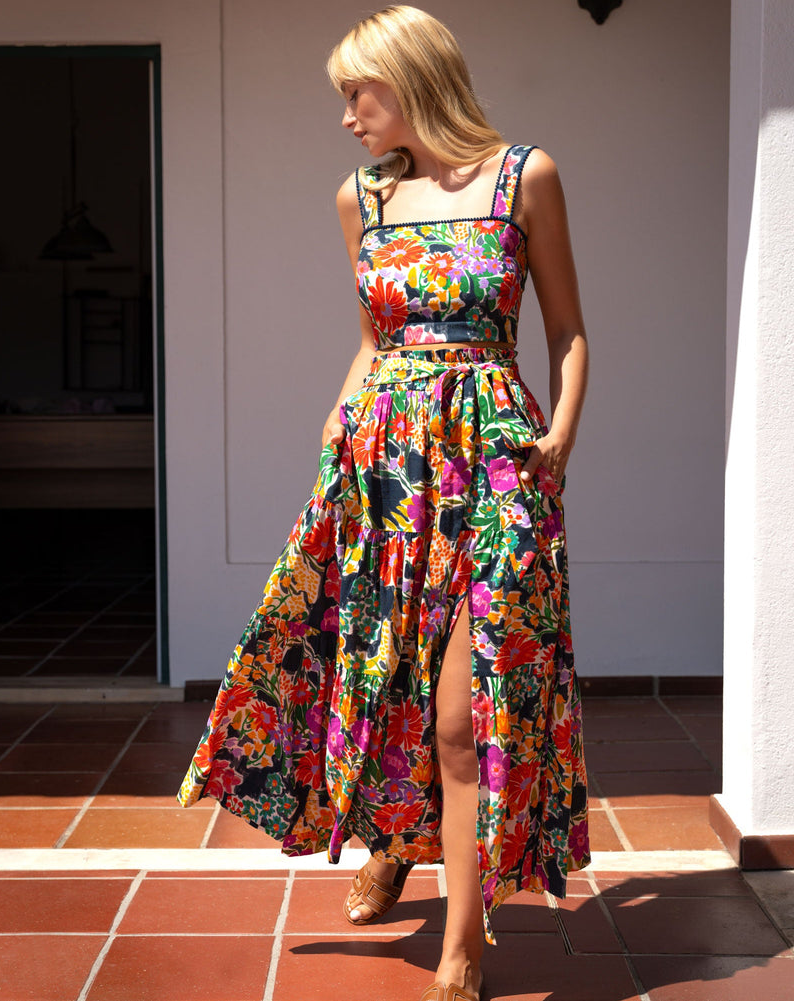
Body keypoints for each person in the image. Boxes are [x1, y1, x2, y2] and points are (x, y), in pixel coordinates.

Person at [178, 6, 590, 1000]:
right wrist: (334, 425)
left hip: (493, 460)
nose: (346, 115)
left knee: (464, 709)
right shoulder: (357, 197)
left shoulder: (520, 178)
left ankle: (461, 942)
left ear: (410, 81)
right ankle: (396, 843)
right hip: (382, 470)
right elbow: (373, 337)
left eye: (356, 93)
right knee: (373, 670)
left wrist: (562, 437)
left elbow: (569, 333)